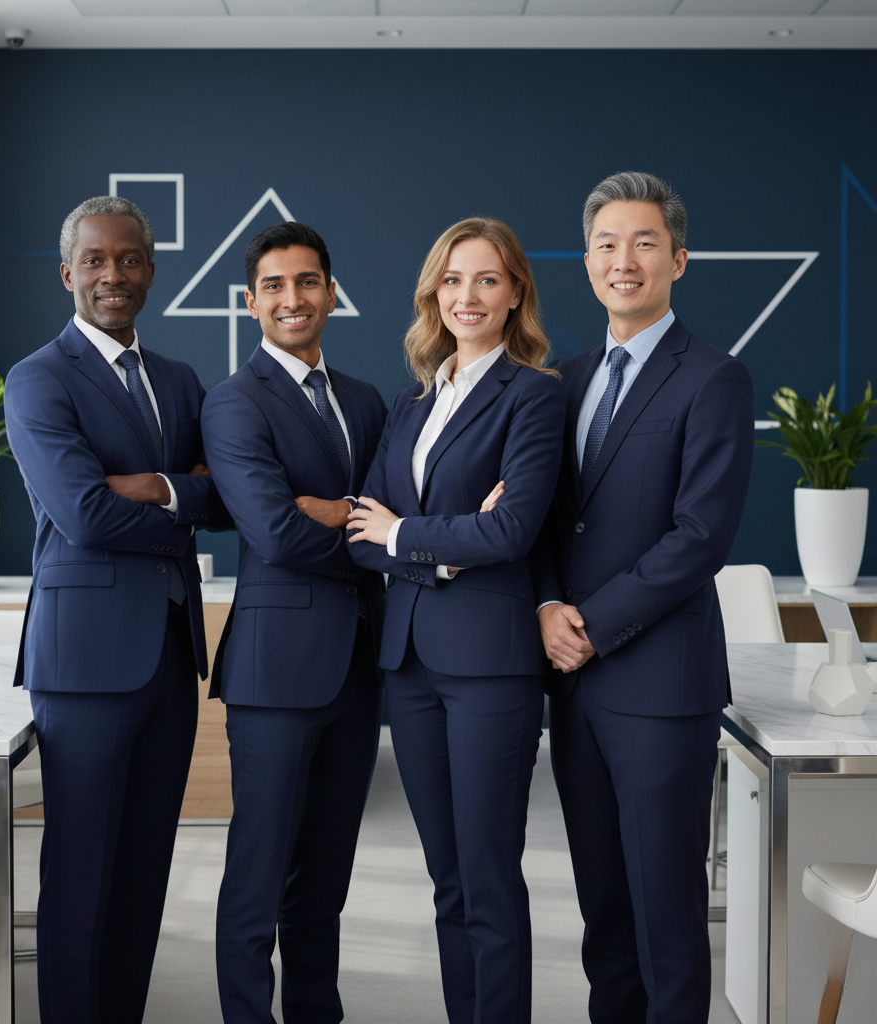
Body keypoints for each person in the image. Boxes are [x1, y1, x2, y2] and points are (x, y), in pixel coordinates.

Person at [531, 171, 755, 1024]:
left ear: (679, 260)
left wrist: (591, 623)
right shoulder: (563, 378)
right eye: (606, 244)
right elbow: (547, 523)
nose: (623, 261)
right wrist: (550, 606)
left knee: (666, 917)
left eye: (644, 243)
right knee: (606, 920)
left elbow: (700, 538)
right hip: (576, 688)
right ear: (586, 261)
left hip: (661, 688)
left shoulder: (713, 379)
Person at [4, 196, 230, 1024]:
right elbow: (82, 515)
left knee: (142, 874)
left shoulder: (178, 380)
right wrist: (184, 499)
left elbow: (227, 498)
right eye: (95, 261)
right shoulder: (37, 378)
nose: (113, 274)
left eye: (128, 259)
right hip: (85, 659)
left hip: (170, 653)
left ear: (151, 271)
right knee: (80, 875)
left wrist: (162, 486)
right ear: (69, 274)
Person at [346, 218, 565, 1024]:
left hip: (490, 669)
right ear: (433, 295)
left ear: (514, 297)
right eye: (452, 280)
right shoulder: (408, 406)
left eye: (486, 280)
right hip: (409, 666)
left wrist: (409, 531)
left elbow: (511, 531)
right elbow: (359, 535)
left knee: (489, 873)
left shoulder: (536, 397)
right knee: (447, 877)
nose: (467, 296)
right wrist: (447, 542)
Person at [200, 222, 388, 1024]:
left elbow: (398, 518)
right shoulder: (234, 402)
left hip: (360, 664)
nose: (293, 298)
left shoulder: (369, 400)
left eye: (307, 282)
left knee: (326, 876)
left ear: (332, 294)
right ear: (251, 303)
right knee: (259, 870)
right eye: (274, 286)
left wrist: (336, 514)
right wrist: (363, 524)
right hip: (276, 668)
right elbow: (275, 532)